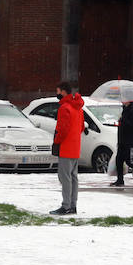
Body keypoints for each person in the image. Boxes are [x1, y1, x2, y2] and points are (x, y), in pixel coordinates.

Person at [49, 83, 85, 216]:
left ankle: (66, 206)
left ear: (63, 92)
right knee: (73, 177)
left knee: (65, 178)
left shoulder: (64, 108)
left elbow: (62, 129)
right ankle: (73, 205)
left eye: (57, 91)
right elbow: (81, 127)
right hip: (75, 147)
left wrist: (57, 141)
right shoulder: (78, 108)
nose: (56, 94)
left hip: (65, 147)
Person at [111, 99, 133, 187]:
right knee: (119, 160)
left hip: (130, 140)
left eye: (124, 99)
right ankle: (120, 180)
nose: (122, 101)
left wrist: (122, 121)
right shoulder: (125, 109)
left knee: (129, 161)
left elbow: (132, 125)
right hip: (122, 140)